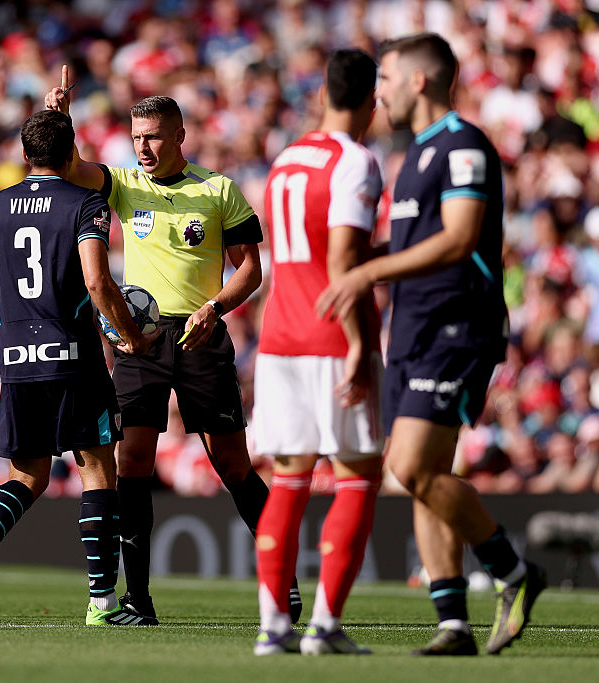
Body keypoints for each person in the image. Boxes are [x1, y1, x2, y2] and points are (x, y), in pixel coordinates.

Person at [317, 33, 546, 656]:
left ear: (418, 80)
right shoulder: (414, 154)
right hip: (413, 329)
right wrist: (367, 253)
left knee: (410, 467)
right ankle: (452, 622)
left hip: (457, 326)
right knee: (423, 476)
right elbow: (419, 238)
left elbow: (460, 237)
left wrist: (367, 272)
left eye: (385, 77)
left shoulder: (464, 144)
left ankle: (513, 572)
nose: (377, 90)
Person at [46, 66, 298, 622]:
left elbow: (251, 270)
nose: (144, 147)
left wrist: (216, 307)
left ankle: (283, 578)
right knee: (131, 459)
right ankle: (138, 599)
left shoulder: (218, 190)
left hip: (201, 335)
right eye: (137, 138)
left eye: (154, 136)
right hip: (140, 342)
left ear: (180, 135)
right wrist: (60, 117)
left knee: (232, 463)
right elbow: (67, 168)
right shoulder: (125, 184)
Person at [0, 109, 159, 626]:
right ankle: (103, 603)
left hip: (16, 360)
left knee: (27, 474)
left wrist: (13, 263)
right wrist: (131, 337)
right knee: (97, 469)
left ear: (24, 156)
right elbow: (96, 281)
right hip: (74, 357)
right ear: (71, 156)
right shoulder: (86, 201)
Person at [253, 49, 384, 657]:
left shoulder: (285, 160)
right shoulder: (355, 162)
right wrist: (360, 342)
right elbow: (341, 264)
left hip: (279, 336)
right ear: (371, 102)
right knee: (356, 474)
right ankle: (326, 627)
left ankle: (272, 627)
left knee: (289, 478)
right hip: (331, 335)